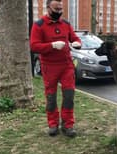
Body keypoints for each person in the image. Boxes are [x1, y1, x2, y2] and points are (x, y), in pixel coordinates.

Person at [30, 0, 81, 137]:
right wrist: (51, 45)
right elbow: (34, 46)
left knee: (69, 96)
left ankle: (67, 125)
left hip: (66, 65)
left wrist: (77, 43)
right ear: (48, 8)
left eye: (60, 9)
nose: (58, 12)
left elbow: (75, 38)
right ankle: (53, 124)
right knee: (51, 97)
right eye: (56, 9)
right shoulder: (39, 25)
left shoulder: (66, 24)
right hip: (49, 66)